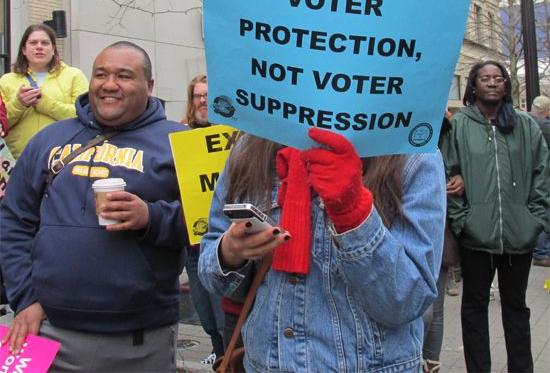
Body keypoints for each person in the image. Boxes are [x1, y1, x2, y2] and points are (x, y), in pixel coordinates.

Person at [0, 41, 188, 372]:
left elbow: (207, 229)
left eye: (124, 75)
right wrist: (25, 297)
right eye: (100, 74)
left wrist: (151, 217)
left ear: (150, 85)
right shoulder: (48, 140)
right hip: (47, 330)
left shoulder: (180, 142)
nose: (110, 84)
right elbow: (15, 219)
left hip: (140, 338)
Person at [198, 127, 446, 371]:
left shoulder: (412, 151)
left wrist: (354, 215)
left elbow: (408, 301)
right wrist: (230, 252)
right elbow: (212, 275)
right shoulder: (252, 146)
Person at [443, 60, 549, 372]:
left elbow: (543, 173)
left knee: (517, 308)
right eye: (484, 78)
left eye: (498, 78)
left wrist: (536, 220)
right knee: (474, 308)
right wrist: (464, 222)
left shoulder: (525, 125)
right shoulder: (459, 128)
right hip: (476, 238)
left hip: (520, 236)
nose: (492, 83)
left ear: (506, 86)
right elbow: (449, 173)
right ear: (473, 87)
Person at [181, 74, 224, 365]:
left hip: (221, 236)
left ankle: (226, 353)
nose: (203, 101)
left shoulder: (230, 136)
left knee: (222, 305)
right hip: (192, 239)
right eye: (198, 96)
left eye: (208, 95)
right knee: (202, 303)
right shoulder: (180, 137)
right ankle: (215, 346)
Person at [0, 24, 88, 160]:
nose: (39, 47)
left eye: (45, 43)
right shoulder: (6, 80)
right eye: (33, 43)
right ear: (24, 49)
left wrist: (46, 105)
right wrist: (19, 104)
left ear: (53, 50)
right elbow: (2, 125)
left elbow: (86, 116)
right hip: (18, 161)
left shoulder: (74, 76)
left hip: (63, 160)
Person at [422, 115, 463, 373]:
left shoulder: (447, 139)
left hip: (440, 231)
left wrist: (462, 177)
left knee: (433, 309)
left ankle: (430, 363)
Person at [529, 95, 550, 268]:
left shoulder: (522, 121)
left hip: (523, 175)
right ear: (546, 111)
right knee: (542, 209)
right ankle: (541, 252)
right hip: (543, 176)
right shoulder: (545, 126)